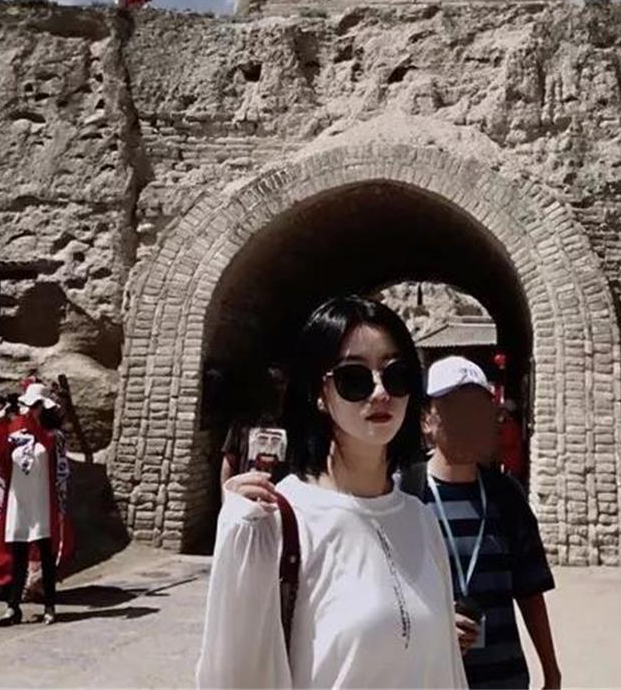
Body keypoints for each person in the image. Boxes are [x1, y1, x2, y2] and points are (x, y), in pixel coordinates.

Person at [196, 295, 467, 689]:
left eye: (396, 374)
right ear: (319, 394)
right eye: (354, 378)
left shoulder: (421, 519)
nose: (380, 392)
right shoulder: (270, 522)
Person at [400, 355, 561, 690]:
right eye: (455, 410)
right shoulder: (404, 495)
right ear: (427, 420)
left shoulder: (507, 497)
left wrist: (551, 672)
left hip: (504, 680)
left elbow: (530, 590)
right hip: (430, 679)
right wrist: (436, 625)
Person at [0, 383, 70, 626]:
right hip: (18, 502)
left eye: (36, 405)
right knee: (18, 556)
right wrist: (0, 423)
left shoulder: (54, 436)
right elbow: (0, 453)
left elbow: (50, 450)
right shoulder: (15, 431)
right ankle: (13, 607)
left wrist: (29, 423)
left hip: (42, 503)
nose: (32, 409)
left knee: (46, 555)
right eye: (30, 404)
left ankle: (50, 605)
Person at [220, 365, 289, 488]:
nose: (276, 391)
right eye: (271, 385)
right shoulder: (242, 423)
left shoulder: (292, 424)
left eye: (280, 384)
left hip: (279, 494)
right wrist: (226, 495)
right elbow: (229, 462)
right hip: (245, 492)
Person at [498, 399, 526, 479]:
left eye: (503, 410)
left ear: (507, 412)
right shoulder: (509, 424)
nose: (501, 412)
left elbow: (508, 442)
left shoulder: (510, 425)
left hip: (512, 462)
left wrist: (496, 439)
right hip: (510, 462)